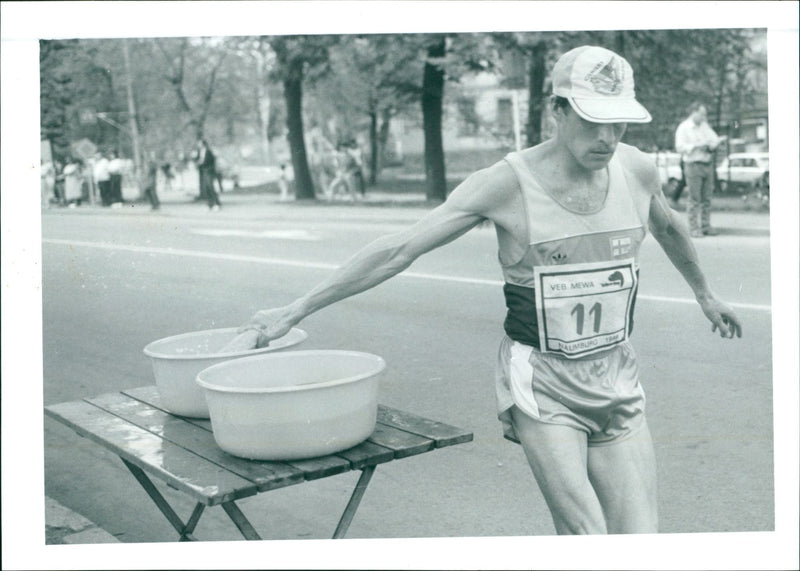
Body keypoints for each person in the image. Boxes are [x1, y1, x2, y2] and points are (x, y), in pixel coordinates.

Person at [235, 46, 742, 535]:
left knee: (640, 539)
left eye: (619, 122)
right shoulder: (507, 183)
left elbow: (670, 226)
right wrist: (296, 309)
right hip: (544, 385)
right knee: (587, 533)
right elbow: (401, 249)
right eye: (592, 120)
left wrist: (704, 293)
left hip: (617, 375)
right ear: (556, 111)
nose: (608, 137)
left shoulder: (636, 168)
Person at [674, 102, 726, 237]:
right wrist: (697, 146)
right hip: (693, 165)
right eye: (702, 114)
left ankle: (706, 226)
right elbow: (679, 147)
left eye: (705, 114)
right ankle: (693, 228)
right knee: (694, 198)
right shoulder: (684, 128)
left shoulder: (705, 126)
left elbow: (713, 139)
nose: (704, 117)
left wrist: (714, 144)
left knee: (707, 197)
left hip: (707, 164)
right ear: (694, 112)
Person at [196, 139, 221, 211]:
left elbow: (210, 161)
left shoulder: (208, 151)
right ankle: (210, 204)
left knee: (211, 187)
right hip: (204, 171)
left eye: (199, 143)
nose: (198, 145)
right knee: (207, 188)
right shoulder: (200, 152)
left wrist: (202, 163)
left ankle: (216, 203)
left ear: (203, 144)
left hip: (209, 171)